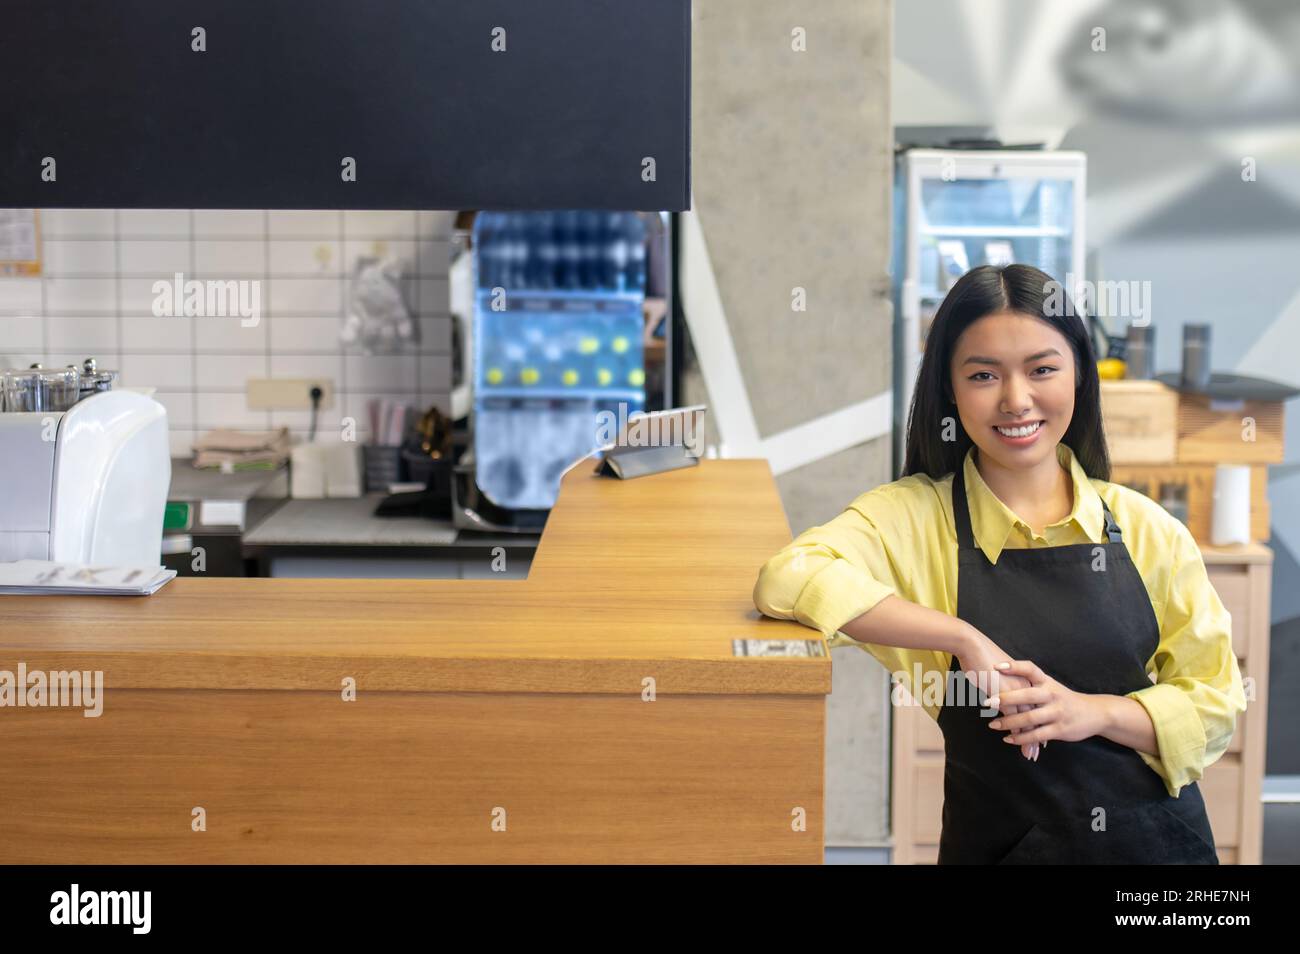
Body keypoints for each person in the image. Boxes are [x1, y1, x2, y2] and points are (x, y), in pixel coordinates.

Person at [753, 264, 1246, 864]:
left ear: (1080, 377)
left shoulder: (1147, 529)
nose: (1016, 400)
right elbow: (788, 576)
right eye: (984, 375)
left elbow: (1216, 705)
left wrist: (1087, 712)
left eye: (1042, 369)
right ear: (949, 391)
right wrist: (962, 637)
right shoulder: (915, 521)